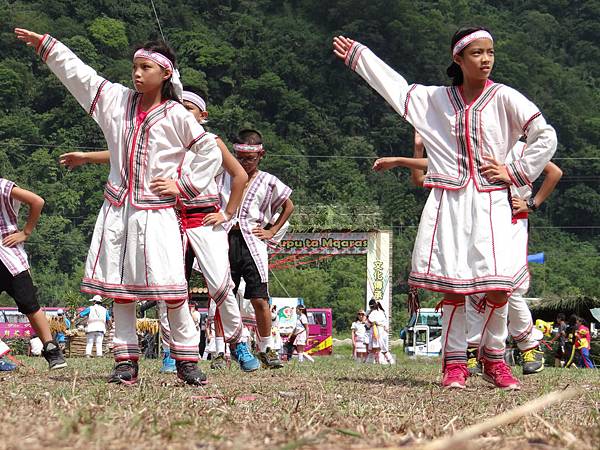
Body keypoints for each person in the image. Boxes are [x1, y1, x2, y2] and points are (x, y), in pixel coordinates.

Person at [335, 26, 557, 389]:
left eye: (490, 52)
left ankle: (492, 357)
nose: (486, 60)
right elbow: (396, 89)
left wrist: (514, 170)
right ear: (458, 58)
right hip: (450, 201)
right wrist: (361, 58)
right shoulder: (435, 100)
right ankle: (455, 364)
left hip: (492, 201)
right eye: (477, 53)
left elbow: (544, 135)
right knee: (453, 288)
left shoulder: (504, 97)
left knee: (500, 287)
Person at [15, 28, 222, 385]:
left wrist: (182, 184)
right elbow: (82, 76)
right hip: (119, 210)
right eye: (135, 67)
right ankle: (125, 360)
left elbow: (210, 151)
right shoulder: (116, 100)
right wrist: (49, 48)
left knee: (172, 289)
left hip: (157, 212)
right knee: (120, 290)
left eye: (145, 67)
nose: (137, 73)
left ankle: (187, 360)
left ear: (166, 73)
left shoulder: (177, 115)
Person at [60, 90, 260, 373]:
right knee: (168, 286)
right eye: (181, 107)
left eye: (190, 109)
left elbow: (239, 175)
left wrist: (228, 213)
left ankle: (238, 341)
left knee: (219, 284)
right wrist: (86, 157)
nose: (184, 113)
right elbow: (123, 153)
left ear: (203, 116)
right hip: (172, 217)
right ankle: (171, 350)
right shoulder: (165, 137)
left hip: (205, 218)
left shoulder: (211, 142)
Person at [218, 128, 294, 368]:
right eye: (240, 158)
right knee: (222, 296)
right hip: (225, 238)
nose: (244, 163)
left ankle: (266, 347)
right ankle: (221, 350)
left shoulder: (269, 181)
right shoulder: (222, 176)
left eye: (250, 159)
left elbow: (288, 205)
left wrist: (271, 230)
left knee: (259, 298)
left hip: (253, 240)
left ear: (261, 155)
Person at [0, 177, 66, 370]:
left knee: (29, 303)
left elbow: (37, 201)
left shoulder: (3, 186)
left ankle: (51, 349)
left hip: (9, 256)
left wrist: (26, 232)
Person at [367, 300, 394, 364]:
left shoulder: (373, 313)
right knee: (379, 348)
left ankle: (387, 360)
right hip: (383, 331)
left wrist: (368, 319)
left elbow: (369, 322)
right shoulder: (382, 312)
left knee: (378, 348)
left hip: (377, 331)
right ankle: (373, 361)